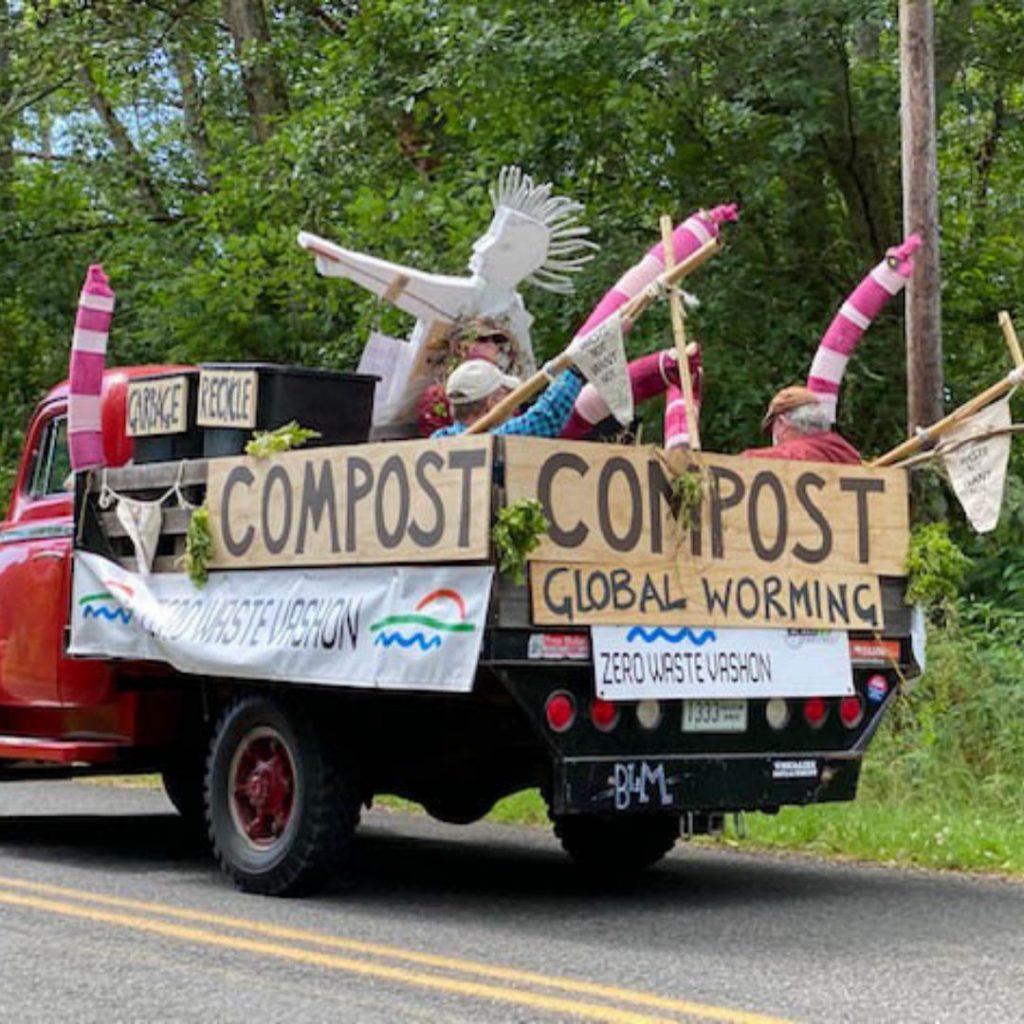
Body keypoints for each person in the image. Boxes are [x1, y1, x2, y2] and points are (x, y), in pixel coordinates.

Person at [431, 359, 583, 438]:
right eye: (505, 394)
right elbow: (546, 416)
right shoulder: (493, 442)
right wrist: (572, 371)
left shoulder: (439, 440)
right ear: (492, 402)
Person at [743, 385, 861, 464]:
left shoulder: (783, 458)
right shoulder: (852, 458)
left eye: (771, 429)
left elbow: (744, 466)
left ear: (781, 423)